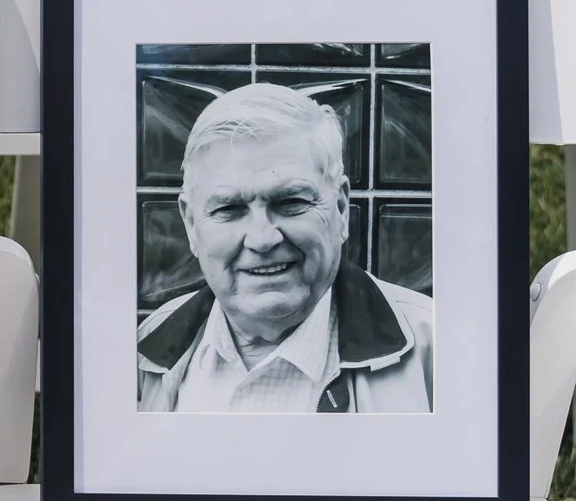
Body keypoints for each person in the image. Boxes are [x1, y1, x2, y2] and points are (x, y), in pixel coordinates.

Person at [137, 82, 434, 413]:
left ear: (340, 207)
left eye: (291, 202)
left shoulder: (439, 350)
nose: (263, 239)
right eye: (228, 209)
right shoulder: (141, 352)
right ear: (191, 224)